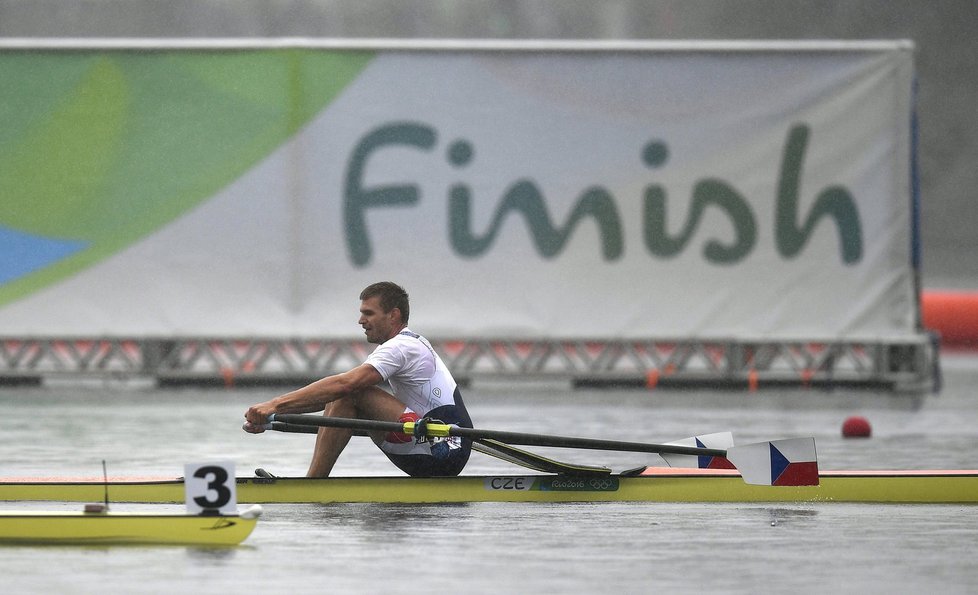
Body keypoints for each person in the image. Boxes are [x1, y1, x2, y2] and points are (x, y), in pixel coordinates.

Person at [243, 281, 472, 477]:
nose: (361, 320)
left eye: (368, 313)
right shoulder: (408, 344)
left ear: (393, 315)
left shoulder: (402, 347)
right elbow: (331, 399)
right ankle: (312, 483)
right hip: (429, 442)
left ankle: (312, 485)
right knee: (342, 395)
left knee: (351, 390)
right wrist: (274, 415)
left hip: (444, 447)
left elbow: (346, 385)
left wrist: (274, 404)